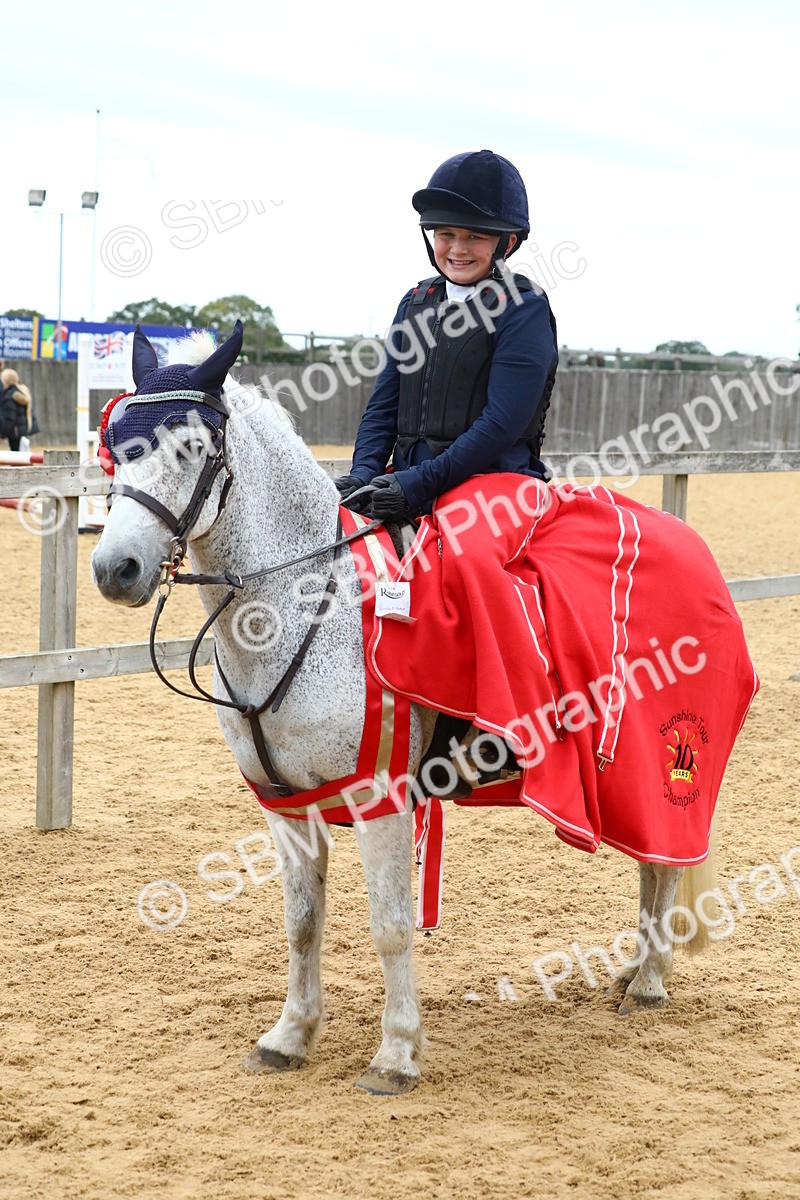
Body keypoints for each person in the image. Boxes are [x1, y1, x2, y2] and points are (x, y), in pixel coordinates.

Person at [336, 149, 558, 522]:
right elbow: (384, 405)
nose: (457, 249)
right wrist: (363, 472)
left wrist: (418, 483)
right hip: (406, 484)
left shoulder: (524, 308)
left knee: (466, 561)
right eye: (446, 234)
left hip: (492, 490)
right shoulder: (415, 302)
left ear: (507, 242)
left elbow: (502, 423)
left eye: (475, 236)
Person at [0, 368, 34, 452]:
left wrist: (3, 435)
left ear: (5, 382)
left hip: (15, 432)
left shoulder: (9, 396)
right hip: (22, 430)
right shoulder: (21, 392)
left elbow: (10, 418)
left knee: (17, 455)